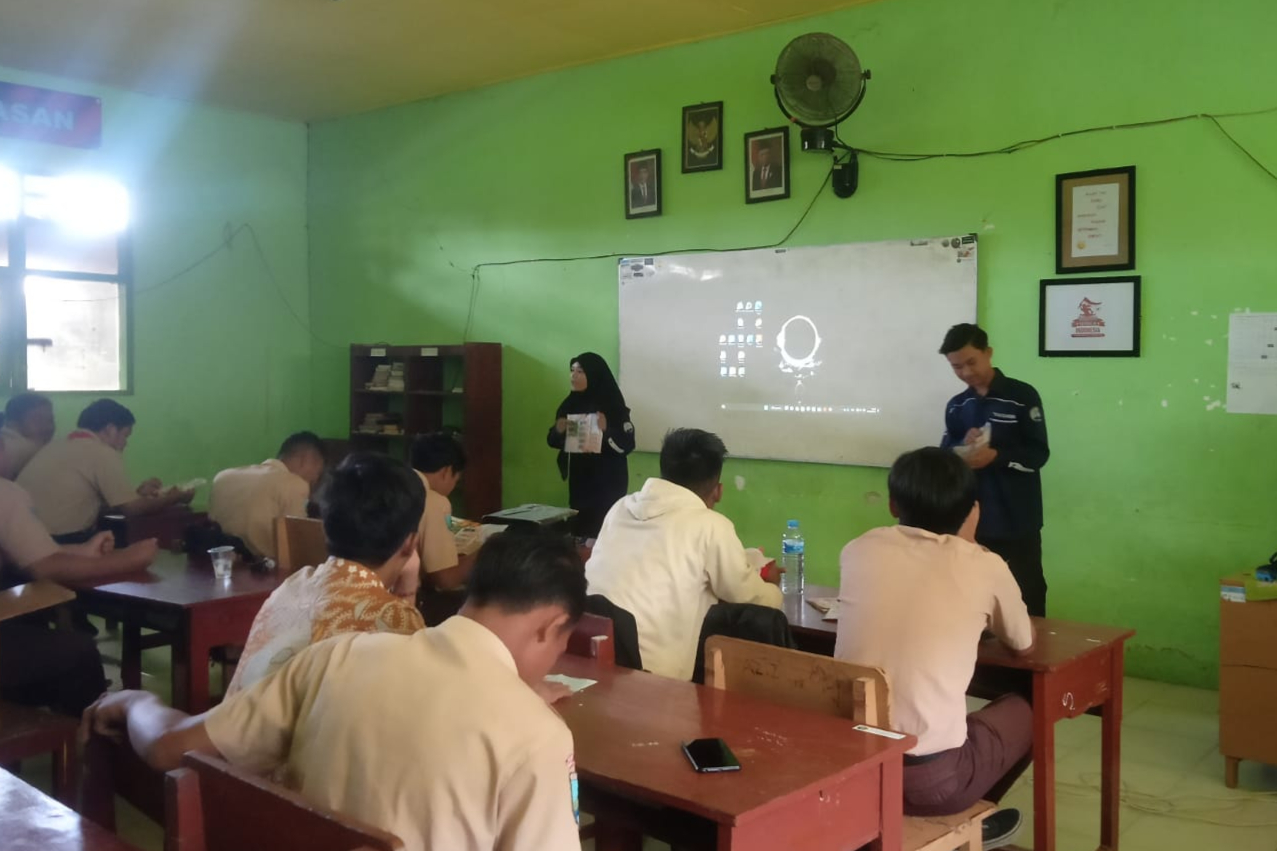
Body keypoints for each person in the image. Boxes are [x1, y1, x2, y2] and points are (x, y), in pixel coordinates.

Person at [82, 532, 588, 851]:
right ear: (552, 627)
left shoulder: (339, 654)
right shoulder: (536, 736)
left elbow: (169, 746)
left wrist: (133, 699)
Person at [835, 447, 1034, 848]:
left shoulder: (859, 549)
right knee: (1031, 709)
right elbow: (1024, 645)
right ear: (972, 509)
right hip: (930, 784)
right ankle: (971, 815)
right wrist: (969, 541)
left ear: (893, 504)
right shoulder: (983, 564)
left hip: (851, 767)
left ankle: (966, 817)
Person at [584, 427, 782, 680]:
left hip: (592, 654)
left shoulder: (619, 508)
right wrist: (772, 586)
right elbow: (747, 596)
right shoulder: (711, 526)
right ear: (717, 491)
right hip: (656, 677)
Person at [226, 452, 425, 696]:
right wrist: (409, 588)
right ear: (410, 543)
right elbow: (410, 699)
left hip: (234, 728)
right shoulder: (392, 615)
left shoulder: (293, 585)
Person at [0, 417, 159, 715]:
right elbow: (47, 568)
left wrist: (83, 551)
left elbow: (24, 552)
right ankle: (91, 746)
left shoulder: (57, 450)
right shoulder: (4, 492)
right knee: (79, 652)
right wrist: (129, 559)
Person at [939, 323, 1050, 615]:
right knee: (972, 593)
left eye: (971, 362)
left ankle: (1030, 653)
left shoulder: (1021, 396)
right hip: (971, 519)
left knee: (1027, 591)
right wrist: (961, 448)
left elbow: (1038, 454)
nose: (965, 372)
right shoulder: (956, 406)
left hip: (1016, 517)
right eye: (956, 367)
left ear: (988, 353)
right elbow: (943, 458)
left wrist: (997, 456)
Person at [18, 399, 193, 543]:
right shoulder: (101, 451)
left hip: (21, 537)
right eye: (125, 435)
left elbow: (84, 503)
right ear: (110, 429)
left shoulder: (57, 445)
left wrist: (137, 493)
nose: (125, 443)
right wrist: (175, 497)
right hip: (59, 540)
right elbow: (131, 510)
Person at [547, 352, 635, 539]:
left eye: (580, 372)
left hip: (609, 481)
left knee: (606, 531)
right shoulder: (569, 404)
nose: (573, 376)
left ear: (594, 375)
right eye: (572, 371)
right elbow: (554, 441)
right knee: (581, 529)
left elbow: (627, 445)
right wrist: (558, 430)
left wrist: (606, 431)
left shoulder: (613, 406)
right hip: (581, 479)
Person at [208, 432, 327, 560]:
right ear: (307, 460)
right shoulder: (295, 484)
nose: (315, 480)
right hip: (263, 573)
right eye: (318, 472)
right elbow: (297, 547)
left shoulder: (223, 477)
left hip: (215, 567)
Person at [410, 432, 468, 591]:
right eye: (455, 481)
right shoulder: (435, 501)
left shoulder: (395, 485)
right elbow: (446, 580)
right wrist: (487, 553)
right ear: (446, 471)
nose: (453, 487)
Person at [0, 393, 55, 480]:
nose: (49, 427)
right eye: (38, 420)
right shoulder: (30, 452)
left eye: (50, 420)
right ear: (13, 424)